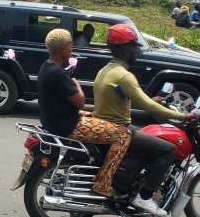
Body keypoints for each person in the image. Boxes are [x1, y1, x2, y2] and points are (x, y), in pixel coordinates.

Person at [92, 24, 197, 217]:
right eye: (134, 46)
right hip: (119, 129)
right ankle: (145, 196)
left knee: (149, 136)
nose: (136, 50)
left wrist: (151, 101)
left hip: (106, 125)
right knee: (168, 149)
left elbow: (121, 100)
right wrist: (183, 115)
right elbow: (149, 107)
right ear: (125, 49)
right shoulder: (124, 75)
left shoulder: (106, 70)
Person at [37, 29, 132, 199]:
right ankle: (103, 184)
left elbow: (56, 101)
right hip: (67, 126)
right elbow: (80, 100)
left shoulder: (46, 67)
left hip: (54, 121)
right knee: (123, 135)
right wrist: (76, 84)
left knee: (96, 117)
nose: (72, 49)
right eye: (71, 45)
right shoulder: (58, 73)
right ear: (64, 49)